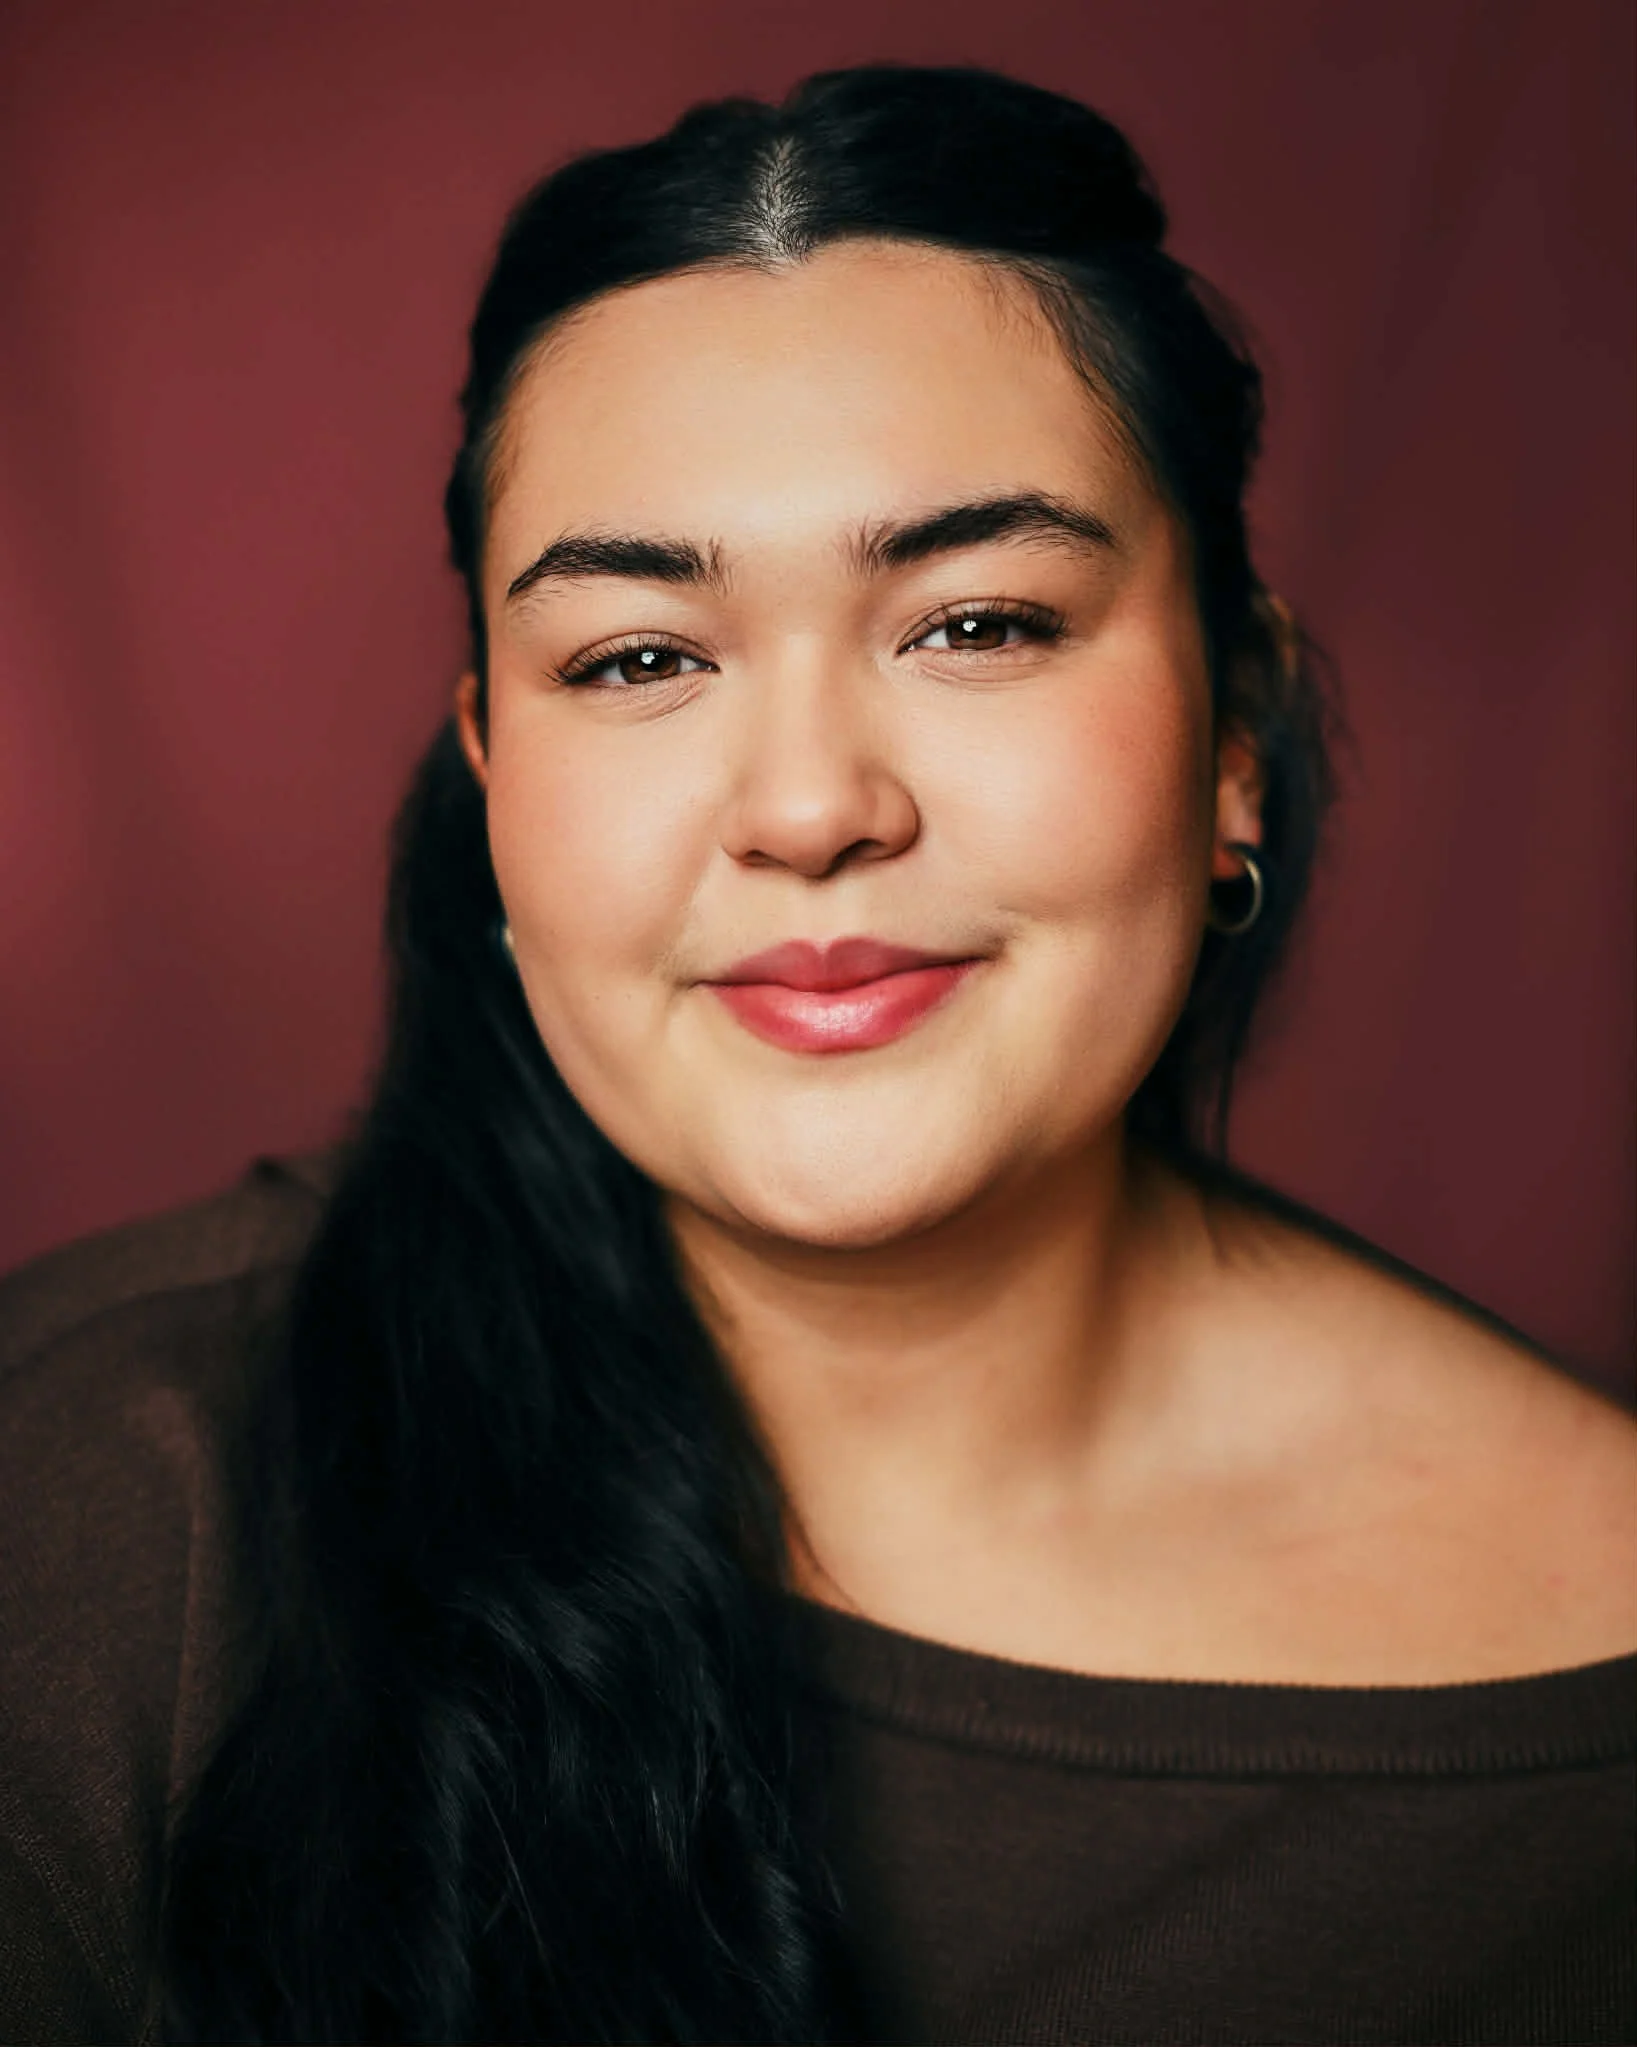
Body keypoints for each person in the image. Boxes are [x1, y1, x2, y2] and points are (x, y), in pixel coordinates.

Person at [1, 63, 1631, 2047]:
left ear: (1231, 729)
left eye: (975, 624)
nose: (806, 808)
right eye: (636, 659)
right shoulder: (91, 1508)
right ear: (494, 782)